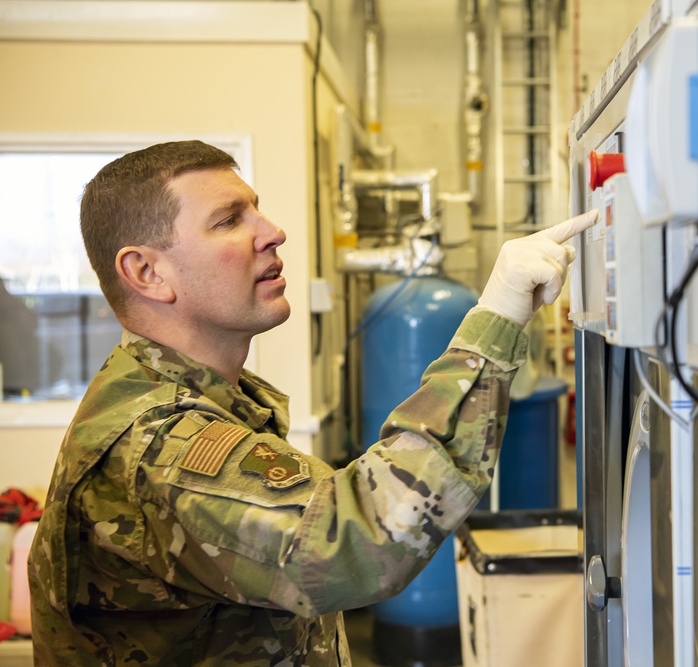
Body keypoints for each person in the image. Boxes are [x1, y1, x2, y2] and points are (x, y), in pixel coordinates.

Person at [26, 139, 597, 665]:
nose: (272, 231)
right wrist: (495, 322)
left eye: (256, 209)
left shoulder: (199, 400)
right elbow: (358, 542)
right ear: (147, 272)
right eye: (229, 220)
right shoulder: (157, 443)